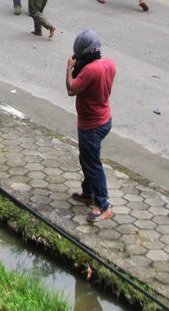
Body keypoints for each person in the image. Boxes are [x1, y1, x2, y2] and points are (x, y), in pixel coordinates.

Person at [66, 30, 117, 223]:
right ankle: (88, 192)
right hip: (105, 119)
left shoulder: (89, 71)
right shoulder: (109, 64)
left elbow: (71, 89)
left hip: (91, 125)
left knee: (93, 164)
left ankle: (103, 204)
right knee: (87, 158)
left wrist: (69, 69)